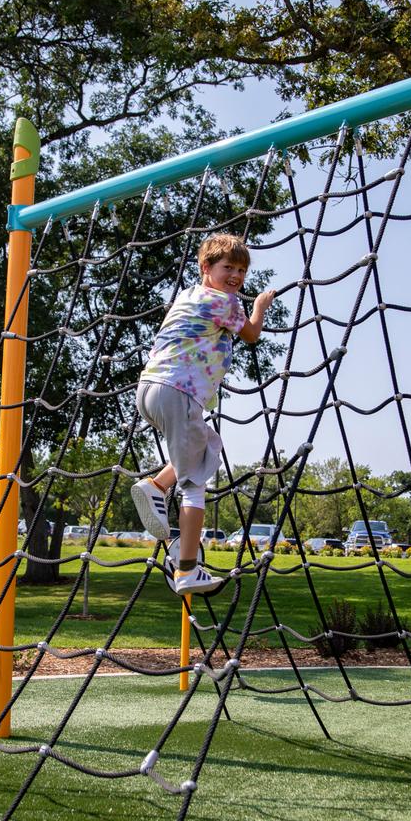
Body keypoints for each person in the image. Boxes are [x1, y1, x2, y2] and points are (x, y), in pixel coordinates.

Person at [129, 233, 277, 594]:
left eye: (241, 270)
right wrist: (259, 304)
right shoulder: (225, 302)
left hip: (149, 390)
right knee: (195, 484)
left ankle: (156, 485)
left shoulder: (187, 295)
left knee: (206, 447)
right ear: (206, 268)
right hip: (179, 392)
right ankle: (187, 570)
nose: (236, 277)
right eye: (228, 267)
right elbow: (253, 334)